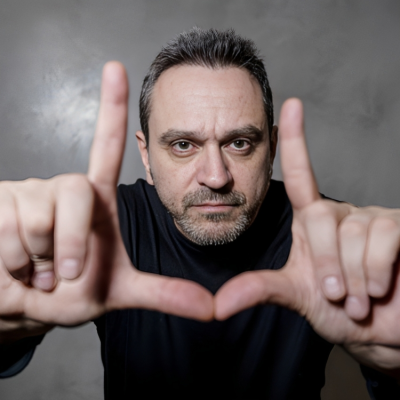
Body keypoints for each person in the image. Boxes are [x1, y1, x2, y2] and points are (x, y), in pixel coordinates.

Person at [1, 27, 400, 399]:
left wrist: (394, 365)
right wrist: (7, 328)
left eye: (240, 143)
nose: (215, 176)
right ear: (146, 155)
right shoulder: (101, 229)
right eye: (183, 145)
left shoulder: (328, 240)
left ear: (272, 149)